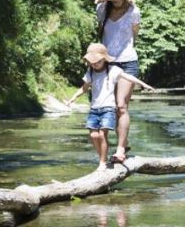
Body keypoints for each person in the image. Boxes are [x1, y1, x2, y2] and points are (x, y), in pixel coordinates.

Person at [65, 43, 154, 171]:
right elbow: (84, 88)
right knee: (93, 136)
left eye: (97, 61)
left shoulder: (113, 69)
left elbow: (128, 76)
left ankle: (102, 162)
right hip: (94, 109)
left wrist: (144, 84)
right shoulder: (90, 72)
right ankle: (103, 157)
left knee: (102, 135)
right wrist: (73, 98)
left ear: (104, 59)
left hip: (108, 109)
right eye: (92, 61)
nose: (94, 64)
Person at [95, 0, 140, 163]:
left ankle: (120, 149)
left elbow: (134, 35)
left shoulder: (134, 11)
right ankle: (123, 141)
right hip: (107, 63)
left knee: (121, 105)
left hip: (128, 61)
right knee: (111, 107)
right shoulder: (101, 9)